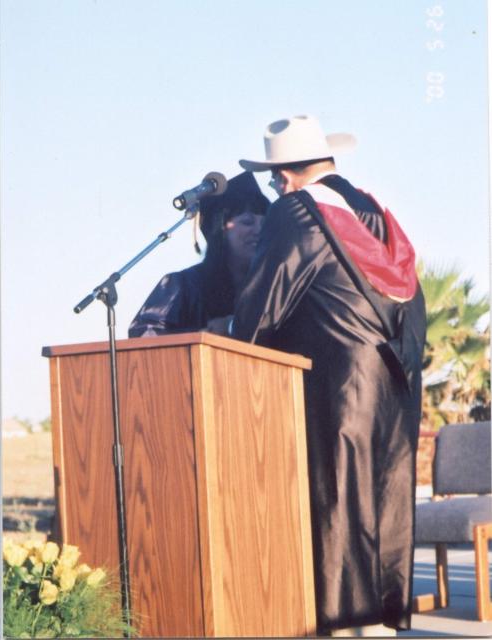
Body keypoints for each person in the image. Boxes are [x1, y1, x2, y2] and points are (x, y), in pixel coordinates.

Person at [214, 115, 427, 636]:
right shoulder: (375, 210)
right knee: (385, 489)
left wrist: (233, 342)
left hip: (339, 379)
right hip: (394, 376)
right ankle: (382, 618)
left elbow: (264, 304)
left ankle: (346, 624)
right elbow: (413, 303)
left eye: (274, 179)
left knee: (340, 494)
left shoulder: (296, 210)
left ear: (283, 176)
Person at [128, 171, 269, 337]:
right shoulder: (183, 285)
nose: (259, 230)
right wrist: (204, 336)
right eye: (247, 222)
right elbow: (143, 334)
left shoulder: (273, 284)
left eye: (265, 223)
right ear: (221, 230)